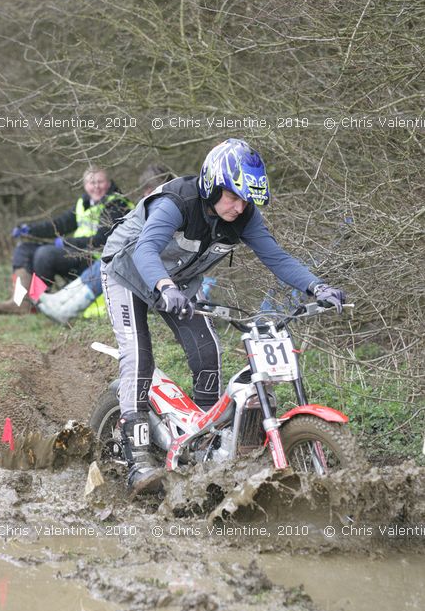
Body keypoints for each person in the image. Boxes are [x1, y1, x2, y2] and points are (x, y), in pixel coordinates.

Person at [100, 138, 346, 494]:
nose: (239, 206)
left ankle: (200, 449)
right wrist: (165, 287)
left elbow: (276, 257)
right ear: (212, 185)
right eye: (233, 196)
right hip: (127, 271)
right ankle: (138, 460)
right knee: (139, 356)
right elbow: (146, 249)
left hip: (177, 281)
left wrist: (317, 287)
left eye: (246, 199)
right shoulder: (177, 203)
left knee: (207, 351)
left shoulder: (243, 216)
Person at [36, 164, 175, 324]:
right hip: (130, 258)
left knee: (114, 263)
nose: (147, 194)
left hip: (154, 266)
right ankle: (60, 300)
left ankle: (67, 308)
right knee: (108, 260)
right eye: (146, 190)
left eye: (151, 190)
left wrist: (67, 242)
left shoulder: (160, 208)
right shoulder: (154, 206)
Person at [0, 165, 133, 315]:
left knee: (45, 254)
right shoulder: (84, 203)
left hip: (96, 260)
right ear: (84, 185)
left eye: (100, 182)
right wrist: (30, 228)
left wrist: (67, 243)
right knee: (24, 249)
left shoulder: (116, 205)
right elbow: (59, 224)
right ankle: (19, 301)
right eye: (91, 183)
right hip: (76, 253)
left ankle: (38, 302)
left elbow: (102, 240)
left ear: (109, 183)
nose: (96, 187)